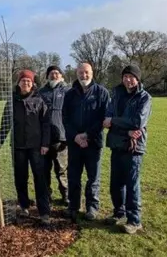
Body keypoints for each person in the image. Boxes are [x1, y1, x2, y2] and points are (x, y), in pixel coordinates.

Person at [0, 69, 51, 225]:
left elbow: (46, 124)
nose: (26, 83)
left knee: (40, 178)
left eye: (29, 81)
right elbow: (5, 123)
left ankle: (44, 211)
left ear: (33, 84)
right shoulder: (12, 101)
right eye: (23, 80)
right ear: (18, 83)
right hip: (18, 146)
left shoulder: (40, 100)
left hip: (37, 147)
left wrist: (45, 143)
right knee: (20, 178)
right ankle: (24, 206)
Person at [102, 64, 152, 234]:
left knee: (132, 185)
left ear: (138, 79)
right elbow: (106, 119)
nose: (128, 80)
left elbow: (137, 122)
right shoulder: (115, 95)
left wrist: (114, 122)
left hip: (134, 148)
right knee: (115, 185)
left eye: (131, 77)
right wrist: (125, 128)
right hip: (117, 145)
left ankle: (134, 220)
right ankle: (119, 213)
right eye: (125, 76)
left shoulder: (145, 98)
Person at [62, 62, 110, 223]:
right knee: (73, 176)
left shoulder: (102, 93)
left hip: (93, 143)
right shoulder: (70, 94)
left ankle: (92, 207)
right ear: (77, 73)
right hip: (74, 143)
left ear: (92, 73)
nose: (84, 75)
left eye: (87, 72)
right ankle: (73, 207)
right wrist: (75, 136)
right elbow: (65, 118)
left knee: (93, 177)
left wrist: (87, 135)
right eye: (81, 72)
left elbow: (103, 118)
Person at [38, 66, 70, 206]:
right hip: (44, 139)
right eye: (51, 73)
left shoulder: (68, 91)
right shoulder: (41, 92)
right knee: (45, 170)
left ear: (61, 75)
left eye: (57, 73)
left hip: (61, 138)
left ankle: (66, 195)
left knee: (62, 169)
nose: (54, 75)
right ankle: (46, 196)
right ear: (47, 76)